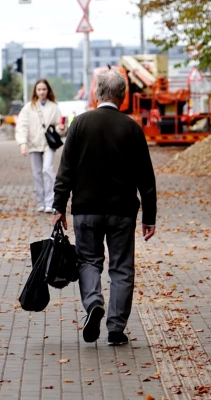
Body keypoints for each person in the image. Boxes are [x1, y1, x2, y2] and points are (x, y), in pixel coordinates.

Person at [52, 69, 157, 346]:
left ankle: (94, 304)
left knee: (88, 261)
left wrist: (59, 206)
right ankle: (116, 330)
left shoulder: (80, 123)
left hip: (86, 209)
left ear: (97, 93)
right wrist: (150, 215)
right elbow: (146, 176)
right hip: (122, 212)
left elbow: (66, 169)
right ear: (123, 97)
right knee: (122, 268)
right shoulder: (132, 128)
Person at [15, 79, 66, 213]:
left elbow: (59, 127)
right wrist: (22, 143)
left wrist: (61, 128)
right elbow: (22, 125)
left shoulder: (54, 107)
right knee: (37, 173)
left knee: (47, 170)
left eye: (44, 89)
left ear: (48, 90)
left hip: (48, 144)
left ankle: (50, 201)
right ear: (35, 91)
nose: (42, 92)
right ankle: (41, 201)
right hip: (33, 144)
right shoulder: (28, 107)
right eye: (39, 89)